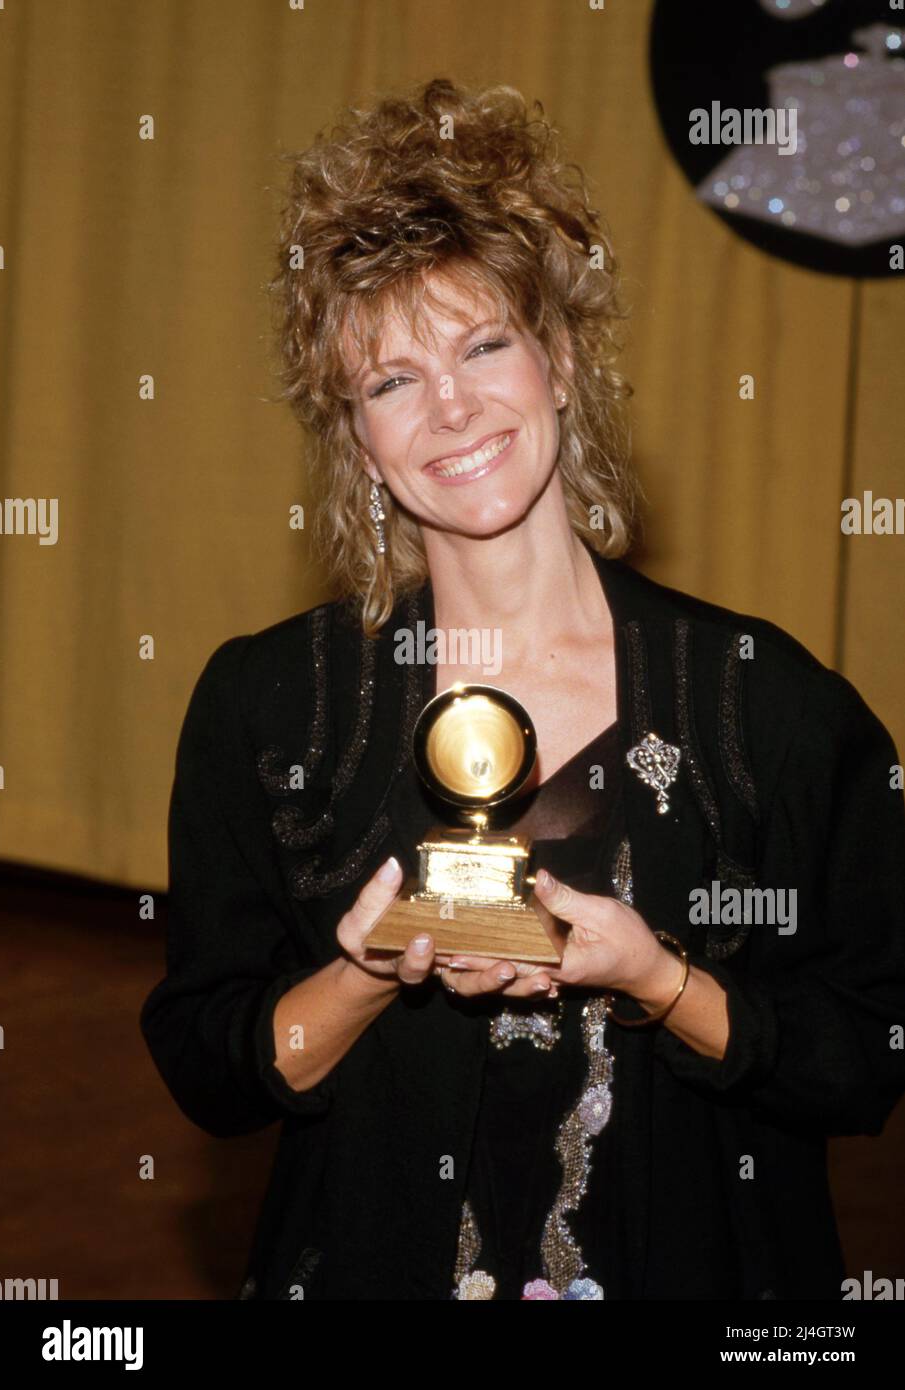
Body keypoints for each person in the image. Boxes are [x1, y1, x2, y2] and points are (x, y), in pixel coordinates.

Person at [140, 77, 905, 1301]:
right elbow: (209, 1068)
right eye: (391, 381)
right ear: (357, 439)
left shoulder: (767, 703)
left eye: (482, 343)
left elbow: (865, 1055)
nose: (450, 407)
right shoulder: (267, 704)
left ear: (555, 356)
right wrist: (366, 971)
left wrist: (657, 980)